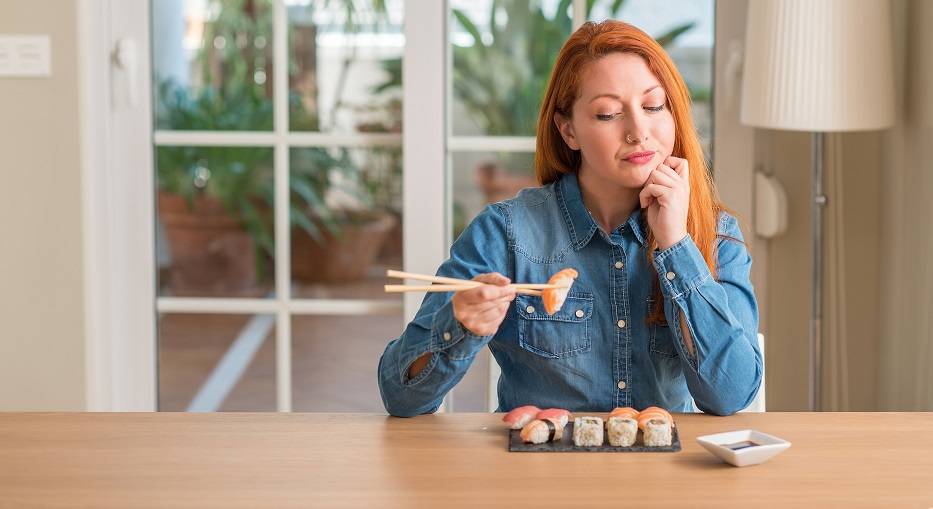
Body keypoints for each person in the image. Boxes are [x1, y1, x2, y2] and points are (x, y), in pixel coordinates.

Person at [377, 20, 762, 417]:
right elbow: (399, 396)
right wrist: (457, 322)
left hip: (659, 473)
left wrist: (676, 245)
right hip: (538, 472)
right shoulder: (505, 233)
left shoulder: (714, 234)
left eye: (652, 106)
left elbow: (731, 395)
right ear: (569, 131)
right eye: (609, 114)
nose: (638, 131)